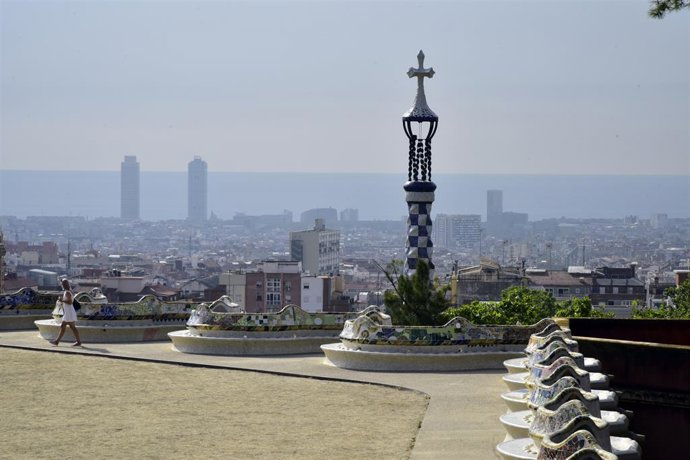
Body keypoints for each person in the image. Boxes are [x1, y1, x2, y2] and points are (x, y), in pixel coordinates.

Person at [50, 278, 82, 346]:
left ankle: (57, 341)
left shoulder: (67, 292)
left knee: (65, 326)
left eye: (63, 284)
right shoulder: (69, 291)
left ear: (65, 285)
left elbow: (70, 302)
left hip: (69, 313)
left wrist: (62, 300)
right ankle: (78, 342)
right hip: (69, 312)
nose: (62, 285)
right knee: (71, 327)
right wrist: (63, 300)